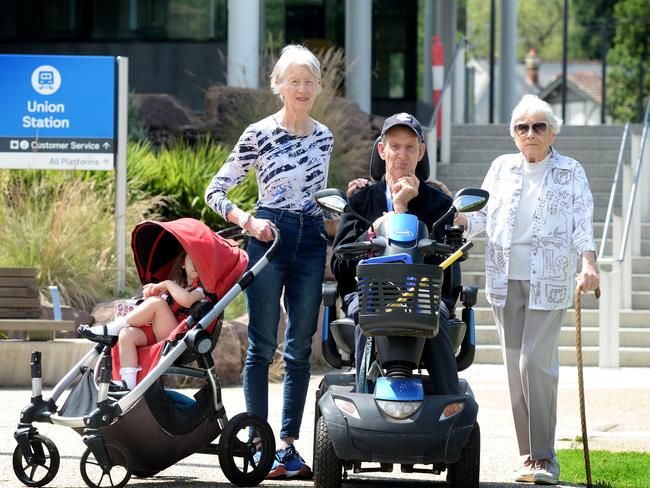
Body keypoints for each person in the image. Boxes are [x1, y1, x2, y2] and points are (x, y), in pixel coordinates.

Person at [455, 94, 600, 485]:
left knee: (534, 363)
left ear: (553, 132)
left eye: (538, 126)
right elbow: (480, 214)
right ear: (513, 134)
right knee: (514, 369)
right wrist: (459, 221)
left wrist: (588, 263)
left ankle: (546, 458)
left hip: (549, 280)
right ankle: (528, 457)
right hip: (504, 280)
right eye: (522, 127)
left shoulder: (570, 171)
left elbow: (582, 220)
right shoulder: (501, 168)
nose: (530, 134)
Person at [204, 44, 333, 479]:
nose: (301, 88)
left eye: (308, 81)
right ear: (278, 85)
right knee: (261, 347)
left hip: (312, 239)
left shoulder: (325, 136)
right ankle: (258, 443)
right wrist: (248, 220)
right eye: (292, 80)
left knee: (299, 347)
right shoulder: (258, 133)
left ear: (318, 87)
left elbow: (317, 196)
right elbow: (215, 192)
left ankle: (288, 450)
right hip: (268, 238)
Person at [331, 112, 459, 397]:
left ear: (421, 152)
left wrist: (405, 209)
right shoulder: (362, 199)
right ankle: (362, 403)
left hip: (425, 295)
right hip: (369, 295)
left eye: (410, 147)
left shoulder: (437, 202)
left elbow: (450, 262)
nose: (402, 154)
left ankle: (450, 411)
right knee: (370, 315)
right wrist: (373, 232)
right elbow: (339, 263)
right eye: (395, 146)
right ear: (382, 150)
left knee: (434, 318)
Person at [78, 251, 205, 391]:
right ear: (182, 263)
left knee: (157, 303)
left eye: (200, 261)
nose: (196, 264)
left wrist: (167, 285)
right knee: (127, 334)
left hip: (178, 336)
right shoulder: (175, 286)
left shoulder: (201, 289)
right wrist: (151, 294)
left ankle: (112, 329)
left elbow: (186, 300)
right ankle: (128, 382)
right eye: (192, 259)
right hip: (158, 331)